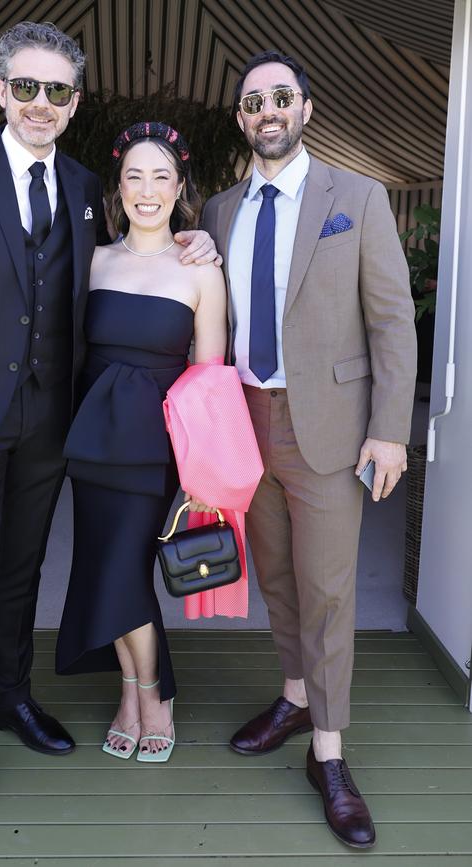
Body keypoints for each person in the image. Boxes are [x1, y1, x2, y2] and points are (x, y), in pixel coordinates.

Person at [0, 22, 217, 846]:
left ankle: (11, 695)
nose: (41, 103)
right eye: (26, 87)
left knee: (22, 573)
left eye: (58, 91)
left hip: (51, 427)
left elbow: (113, 280)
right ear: (0, 91)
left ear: (73, 104)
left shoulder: (78, 188)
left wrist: (193, 238)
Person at [202, 50, 417, 848]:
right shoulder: (222, 210)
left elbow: (394, 320)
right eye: (254, 101)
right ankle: (294, 697)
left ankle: (328, 753)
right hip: (245, 420)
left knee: (329, 589)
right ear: (241, 119)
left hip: (326, 423)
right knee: (281, 579)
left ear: (306, 108)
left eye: (281, 97)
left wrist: (390, 426)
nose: (268, 111)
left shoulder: (356, 197)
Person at [56, 122, 226, 763]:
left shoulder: (202, 270)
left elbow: (210, 378)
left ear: (180, 187)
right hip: (91, 443)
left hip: (155, 452)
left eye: (161, 176)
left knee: (126, 571)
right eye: (134, 175)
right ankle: (132, 692)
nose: (147, 190)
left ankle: (153, 695)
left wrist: (200, 470)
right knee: (103, 568)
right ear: (117, 188)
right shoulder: (93, 259)